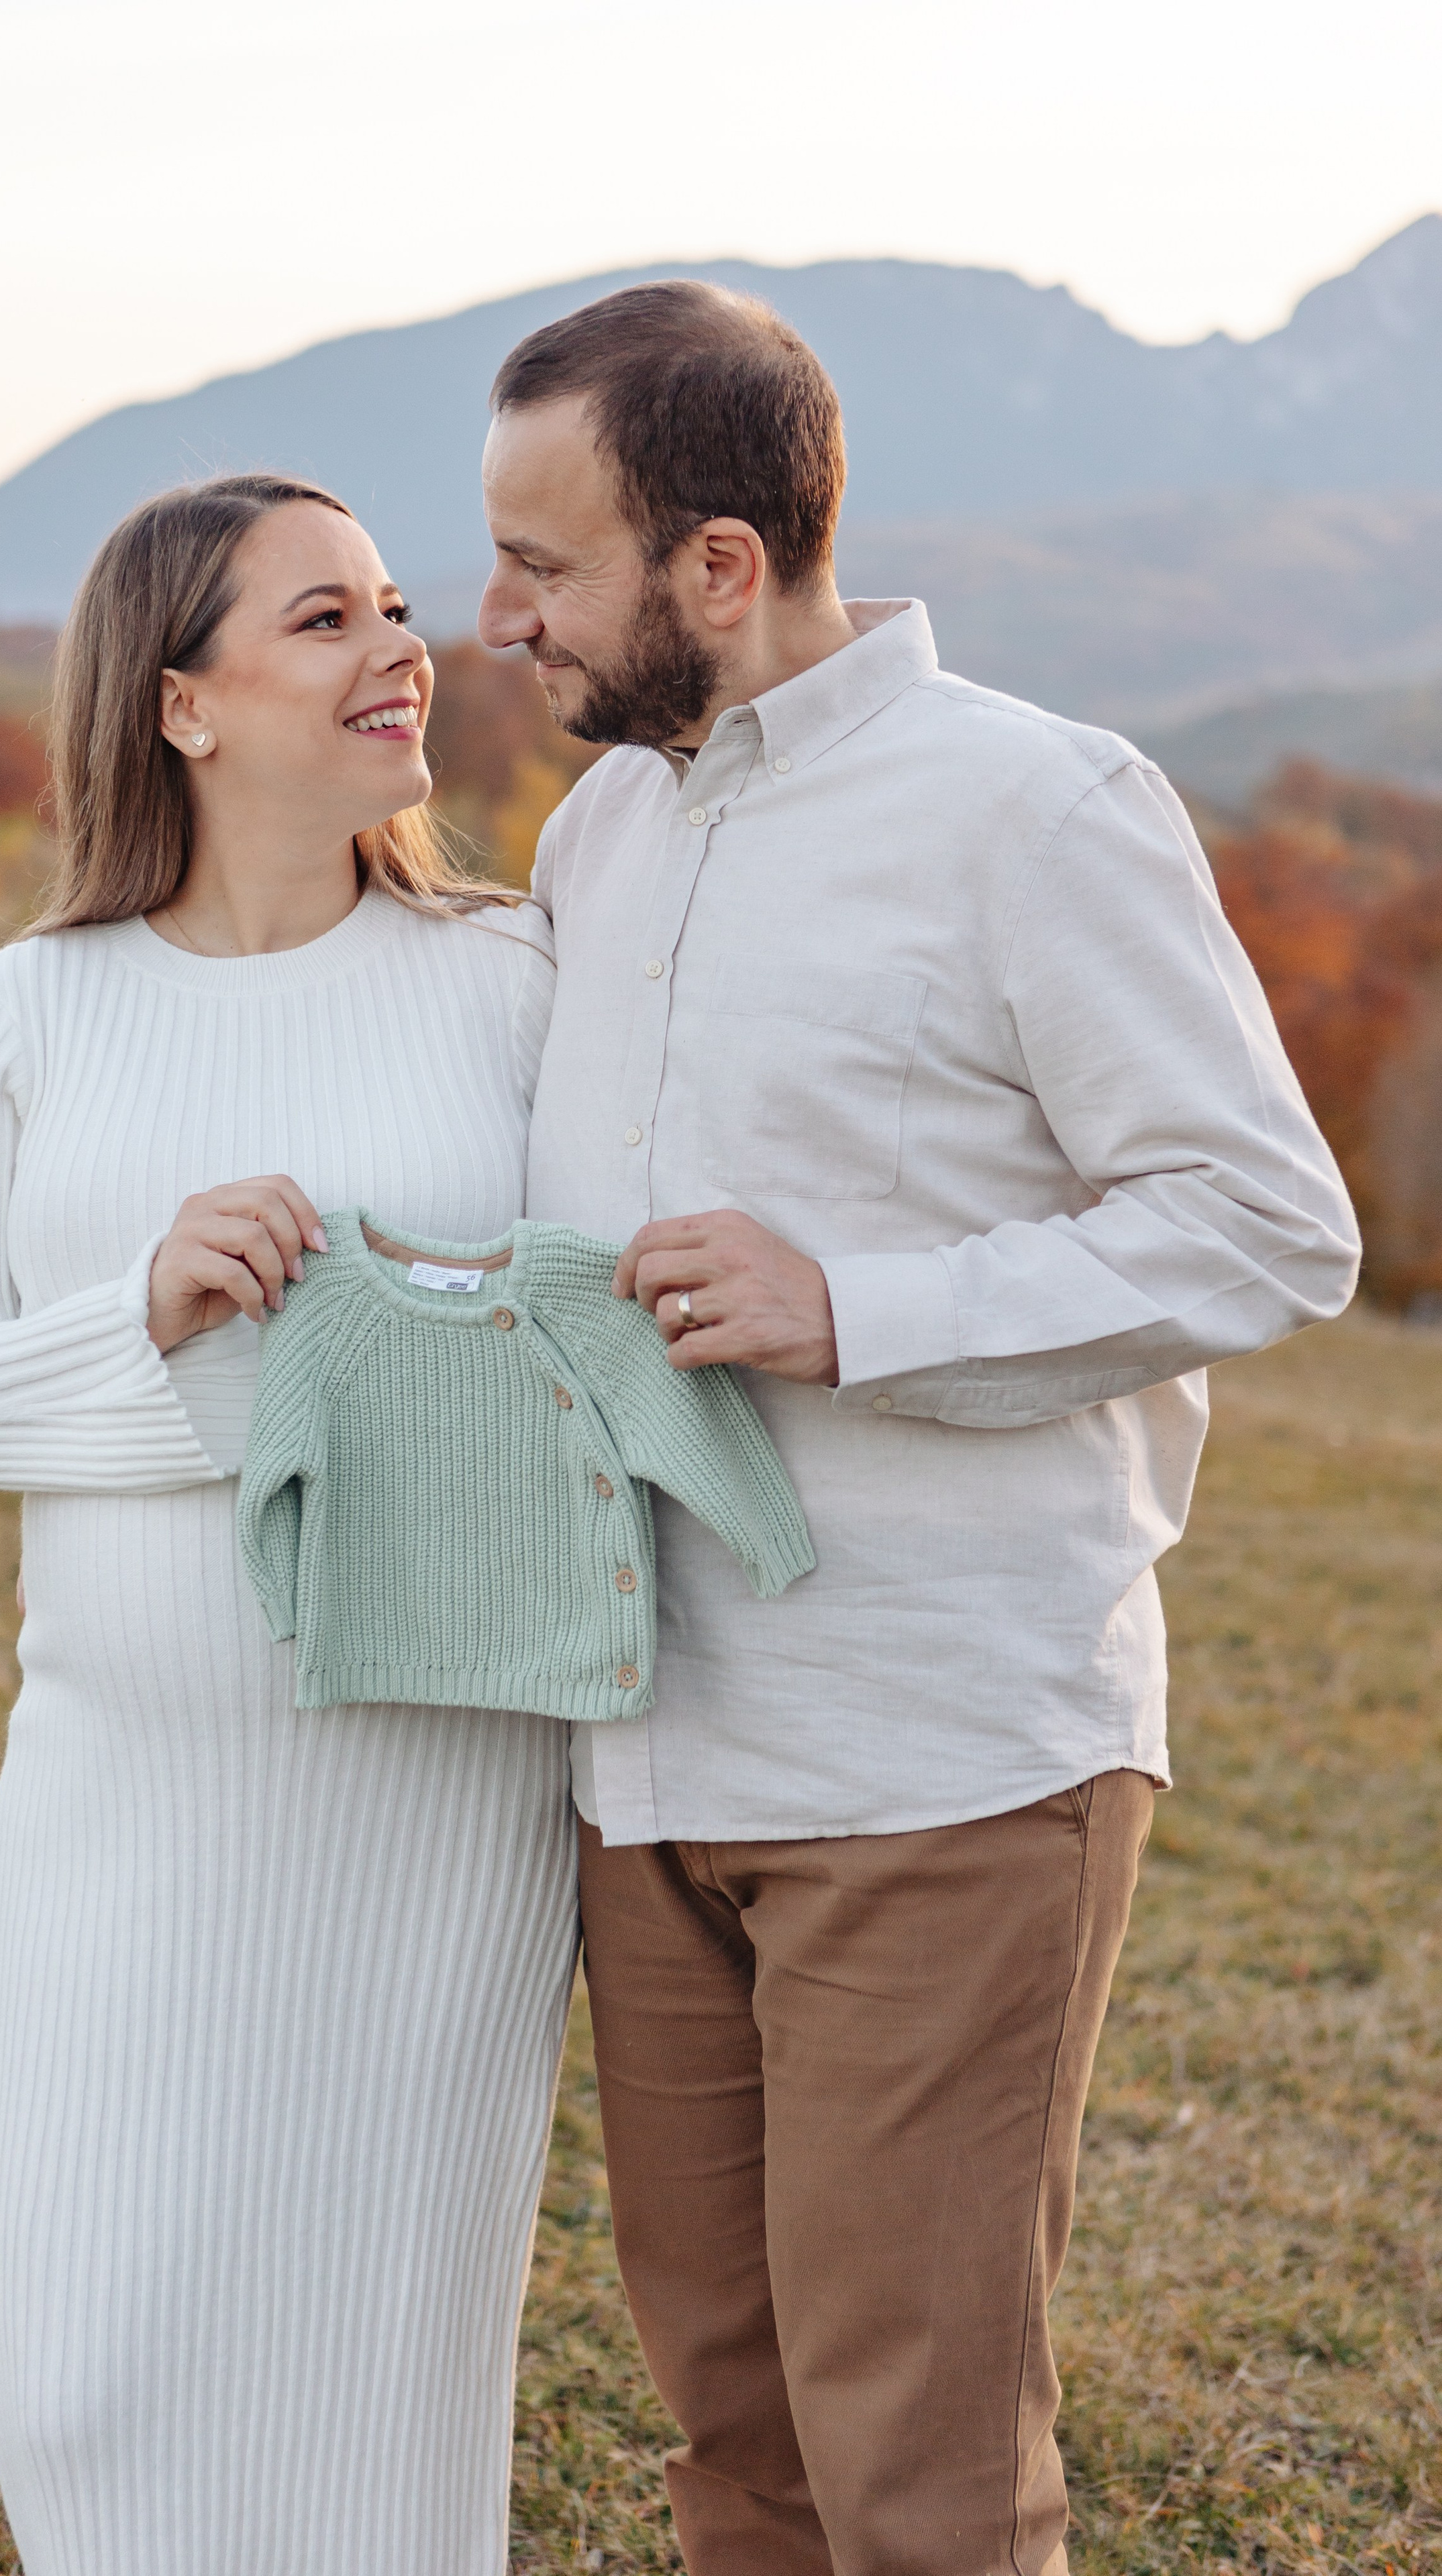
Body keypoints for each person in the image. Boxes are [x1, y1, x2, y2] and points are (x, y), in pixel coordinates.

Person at [478, 284, 1360, 2576]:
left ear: (719, 567)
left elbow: (1267, 1225)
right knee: (735, 2441)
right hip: (647, 1749)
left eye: (545, 567)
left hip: (945, 1760)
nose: (501, 620)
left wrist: (853, 1308)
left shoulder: (1038, 804)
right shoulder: (602, 844)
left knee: (924, 2479)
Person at [0, 474, 576, 2576]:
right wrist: (147, 1334)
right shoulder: (29, 1012)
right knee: (97, 2368)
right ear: (183, 704)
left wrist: (335, 1360)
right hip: (120, 1801)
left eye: (400, 607)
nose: (401, 647)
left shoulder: (508, 979)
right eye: (326, 619)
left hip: (427, 1797)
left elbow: (590, 1355)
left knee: (382, 2372)